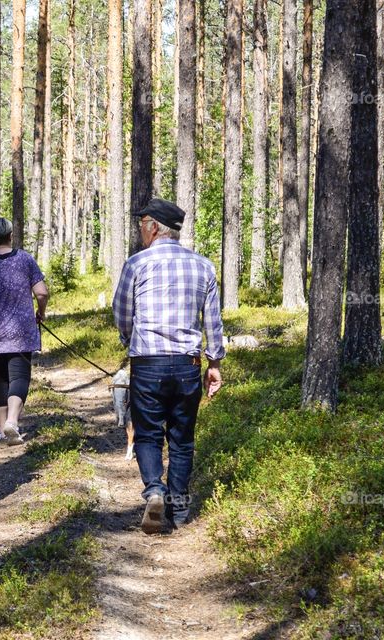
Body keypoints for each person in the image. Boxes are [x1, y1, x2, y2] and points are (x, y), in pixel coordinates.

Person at [111, 198, 225, 534]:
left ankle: (154, 491)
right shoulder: (203, 266)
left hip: (147, 363)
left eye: (141, 223)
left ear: (152, 226)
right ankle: (177, 505)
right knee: (182, 437)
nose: (139, 230)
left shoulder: (136, 264)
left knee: (147, 433)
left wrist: (130, 341)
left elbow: (121, 312)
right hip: (188, 364)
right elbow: (213, 323)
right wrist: (214, 363)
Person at [0, 218, 49, 445]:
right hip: (21, 330)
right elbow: (42, 292)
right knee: (19, 376)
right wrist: (41, 312)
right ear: (10, 235)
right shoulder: (24, 259)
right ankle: (13, 422)